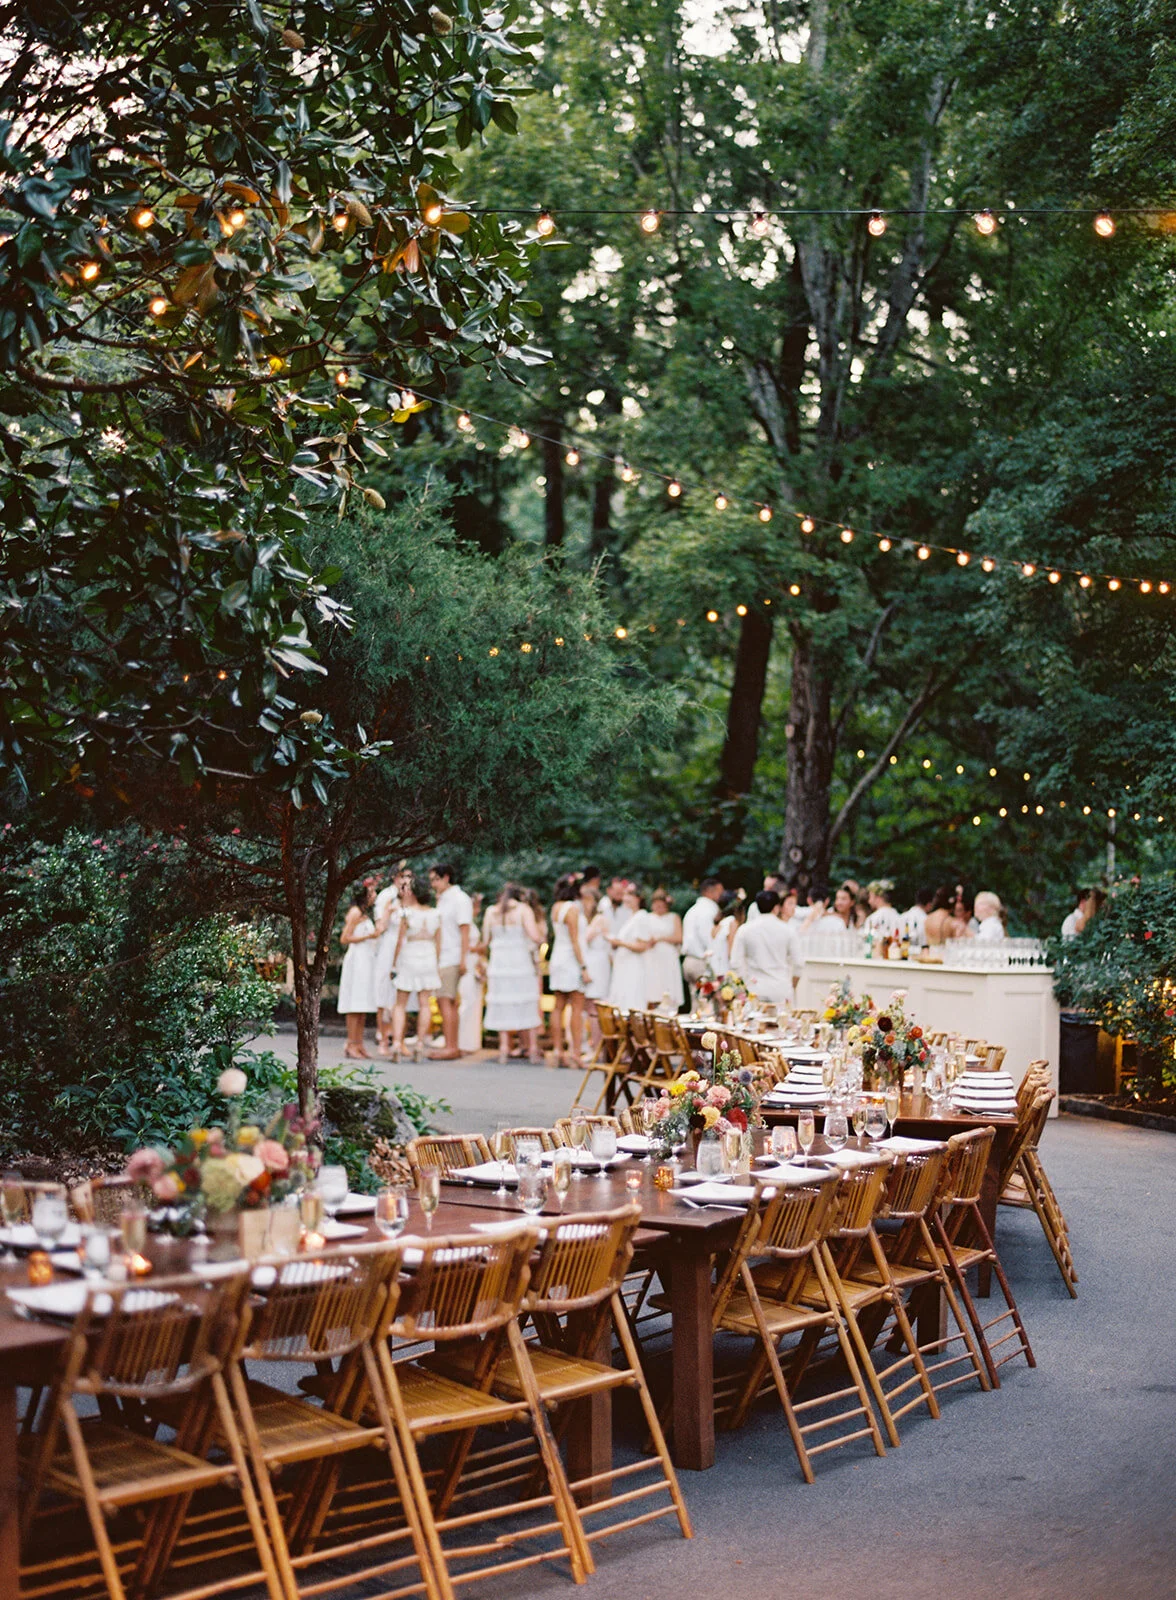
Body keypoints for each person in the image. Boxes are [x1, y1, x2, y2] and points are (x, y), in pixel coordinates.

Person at [482, 883, 543, 1065]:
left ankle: (503, 1048)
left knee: (502, 1002)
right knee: (526, 1002)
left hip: (499, 963)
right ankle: (532, 1048)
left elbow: (486, 940)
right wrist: (541, 939)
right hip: (519, 962)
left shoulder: (491, 912)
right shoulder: (524, 910)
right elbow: (534, 935)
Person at [389, 874, 441, 1060]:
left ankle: (396, 1043)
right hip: (428, 957)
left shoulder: (407, 913)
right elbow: (439, 943)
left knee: (400, 1004)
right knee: (424, 1003)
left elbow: (399, 941)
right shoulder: (436, 914)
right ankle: (420, 1044)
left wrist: (394, 965)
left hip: (410, 956)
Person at [427, 862, 473, 1060]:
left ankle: (451, 1046)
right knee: (446, 1001)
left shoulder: (459, 899)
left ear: (446, 877)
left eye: (435, 879)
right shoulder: (444, 899)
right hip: (443, 956)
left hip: (452, 956)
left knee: (446, 1000)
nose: (433, 884)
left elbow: (465, 931)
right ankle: (451, 1044)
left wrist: (463, 959)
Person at [730, 889, 804, 1006]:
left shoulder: (745, 930)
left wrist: (745, 982)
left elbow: (735, 962)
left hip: (754, 988)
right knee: (782, 1023)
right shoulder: (788, 930)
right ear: (776, 907)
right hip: (781, 987)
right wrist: (792, 984)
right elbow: (799, 963)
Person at [548, 874, 591, 1069]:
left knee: (558, 1006)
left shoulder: (555, 908)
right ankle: (575, 1053)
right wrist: (583, 967)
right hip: (571, 961)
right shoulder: (572, 909)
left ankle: (558, 1051)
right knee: (576, 1006)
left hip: (557, 957)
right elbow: (575, 940)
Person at [337, 882, 384, 1059]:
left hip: (366, 960)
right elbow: (344, 938)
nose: (374, 894)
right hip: (357, 960)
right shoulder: (355, 912)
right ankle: (351, 1043)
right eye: (371, 891)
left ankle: (360, 1043)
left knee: (363, 1004)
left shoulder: (365, 914)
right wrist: (368, 936)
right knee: (354, 1003)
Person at [607, 887, 655, 1011]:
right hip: (624, 966)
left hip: (633, 967)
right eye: (625, 895)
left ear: (638, 898)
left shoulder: (641, 916)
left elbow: (642, 946)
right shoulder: (631, 917)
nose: (626, 898)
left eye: (630, 895)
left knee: (632, 1001)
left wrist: (619, 942)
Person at [580, 882, 613, 1042]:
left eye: (587, 900)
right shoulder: (585, 918)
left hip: (598, 966)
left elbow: (584, 938)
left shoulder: (599, 918)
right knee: (588, 1006)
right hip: (589, 963)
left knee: (595, 1006)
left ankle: (596, 1046)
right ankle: (591, 1043)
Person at [681, 876, 724, 987]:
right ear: (710, 892)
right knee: (708, 1001)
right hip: (702, 962)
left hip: (689, 961)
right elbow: (709, 939)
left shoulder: (692, 910)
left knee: (697, 1001)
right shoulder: (709, 910)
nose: (721, 896)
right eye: (720, 892)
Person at [645, 889, 685, 1009]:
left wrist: (661, 938)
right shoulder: (647, 917)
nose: (658, 907)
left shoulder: (673, 917)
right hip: (653, 955)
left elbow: (679, 937)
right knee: (654, 984)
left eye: (661, 905)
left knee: (669, 983)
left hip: (668, 956)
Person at [457, 891, 485, 1053]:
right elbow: (464, 944)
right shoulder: (465, 924)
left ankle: (471, 1041)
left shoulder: (472, 924)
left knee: (474, 1001)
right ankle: (461, 1040)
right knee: (466, 999)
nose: (478, 910)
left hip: (475, 962)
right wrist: (479, 948)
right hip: (467, 961)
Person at [707, 889, 745, 974]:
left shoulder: (718, 925)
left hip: (715, 969)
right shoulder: (732, 923)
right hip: (725, 970)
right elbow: (732, 952)